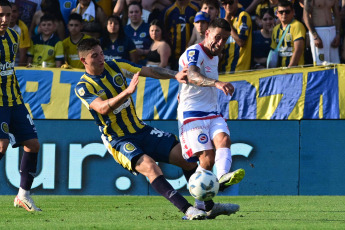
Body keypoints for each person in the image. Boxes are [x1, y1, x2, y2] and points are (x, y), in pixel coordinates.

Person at [75, 37, 210, 220]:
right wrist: (127, 92)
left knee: (186, 158)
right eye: (94, 56)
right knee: (150, 167)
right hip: (118, 139)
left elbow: (150, 70)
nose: (101, 58)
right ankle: (188, 210)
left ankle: (205, 206)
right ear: (83, 61)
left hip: (140, 129)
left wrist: (174, 74)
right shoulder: (83, 87)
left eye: (101, 53)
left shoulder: (116, 65)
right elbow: (102, 108)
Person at [178, 18, 245, 218]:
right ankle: (200, 208)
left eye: (225, 39)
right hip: (191, 113)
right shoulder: (194, 52)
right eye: (217, 37)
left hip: (212, 111)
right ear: (207, 33)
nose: (220, 43)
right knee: (206, 159)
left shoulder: (215, 56)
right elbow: (192, 75)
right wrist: (216, 83)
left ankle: (222, 178)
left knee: (224, 140)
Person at [0, 0, 41, 212]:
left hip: (14, 100)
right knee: (1, 146)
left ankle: (23, 196)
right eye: (1, 15)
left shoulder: (14, 36)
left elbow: (9, 69)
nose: (5, 19)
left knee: (33, 144)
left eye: (8, 15)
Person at [163, 0, 200, 70]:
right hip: (174, 57)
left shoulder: (196, 8)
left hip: (192, 56)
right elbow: (164, 32)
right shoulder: (168, 11)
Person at [303, 0, 341, 65]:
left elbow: (337, 15)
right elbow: (305, 17)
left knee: (335, 63)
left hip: (332, 31)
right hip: (318, 31)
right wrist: (315, 36)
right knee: (321, 63)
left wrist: (337, 33)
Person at [219, 0, 253, 73]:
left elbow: (241, 42)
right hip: (224, 70)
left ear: (236, 2)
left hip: (238, 71)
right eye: (224, 3)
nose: (227, 6)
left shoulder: (243, 16)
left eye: (230, 2)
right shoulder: (227, 19)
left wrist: (228, 24)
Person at [270, 0, 305, 67]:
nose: (284, 14)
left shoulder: (297, 25)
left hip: (295, 71)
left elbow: (298, 49)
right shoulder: (275, 29)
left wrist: (290, 68)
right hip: (279, 71)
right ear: (277, 13)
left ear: (293, 12)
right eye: (281, 12)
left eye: (287, 12)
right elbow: (274, 52)